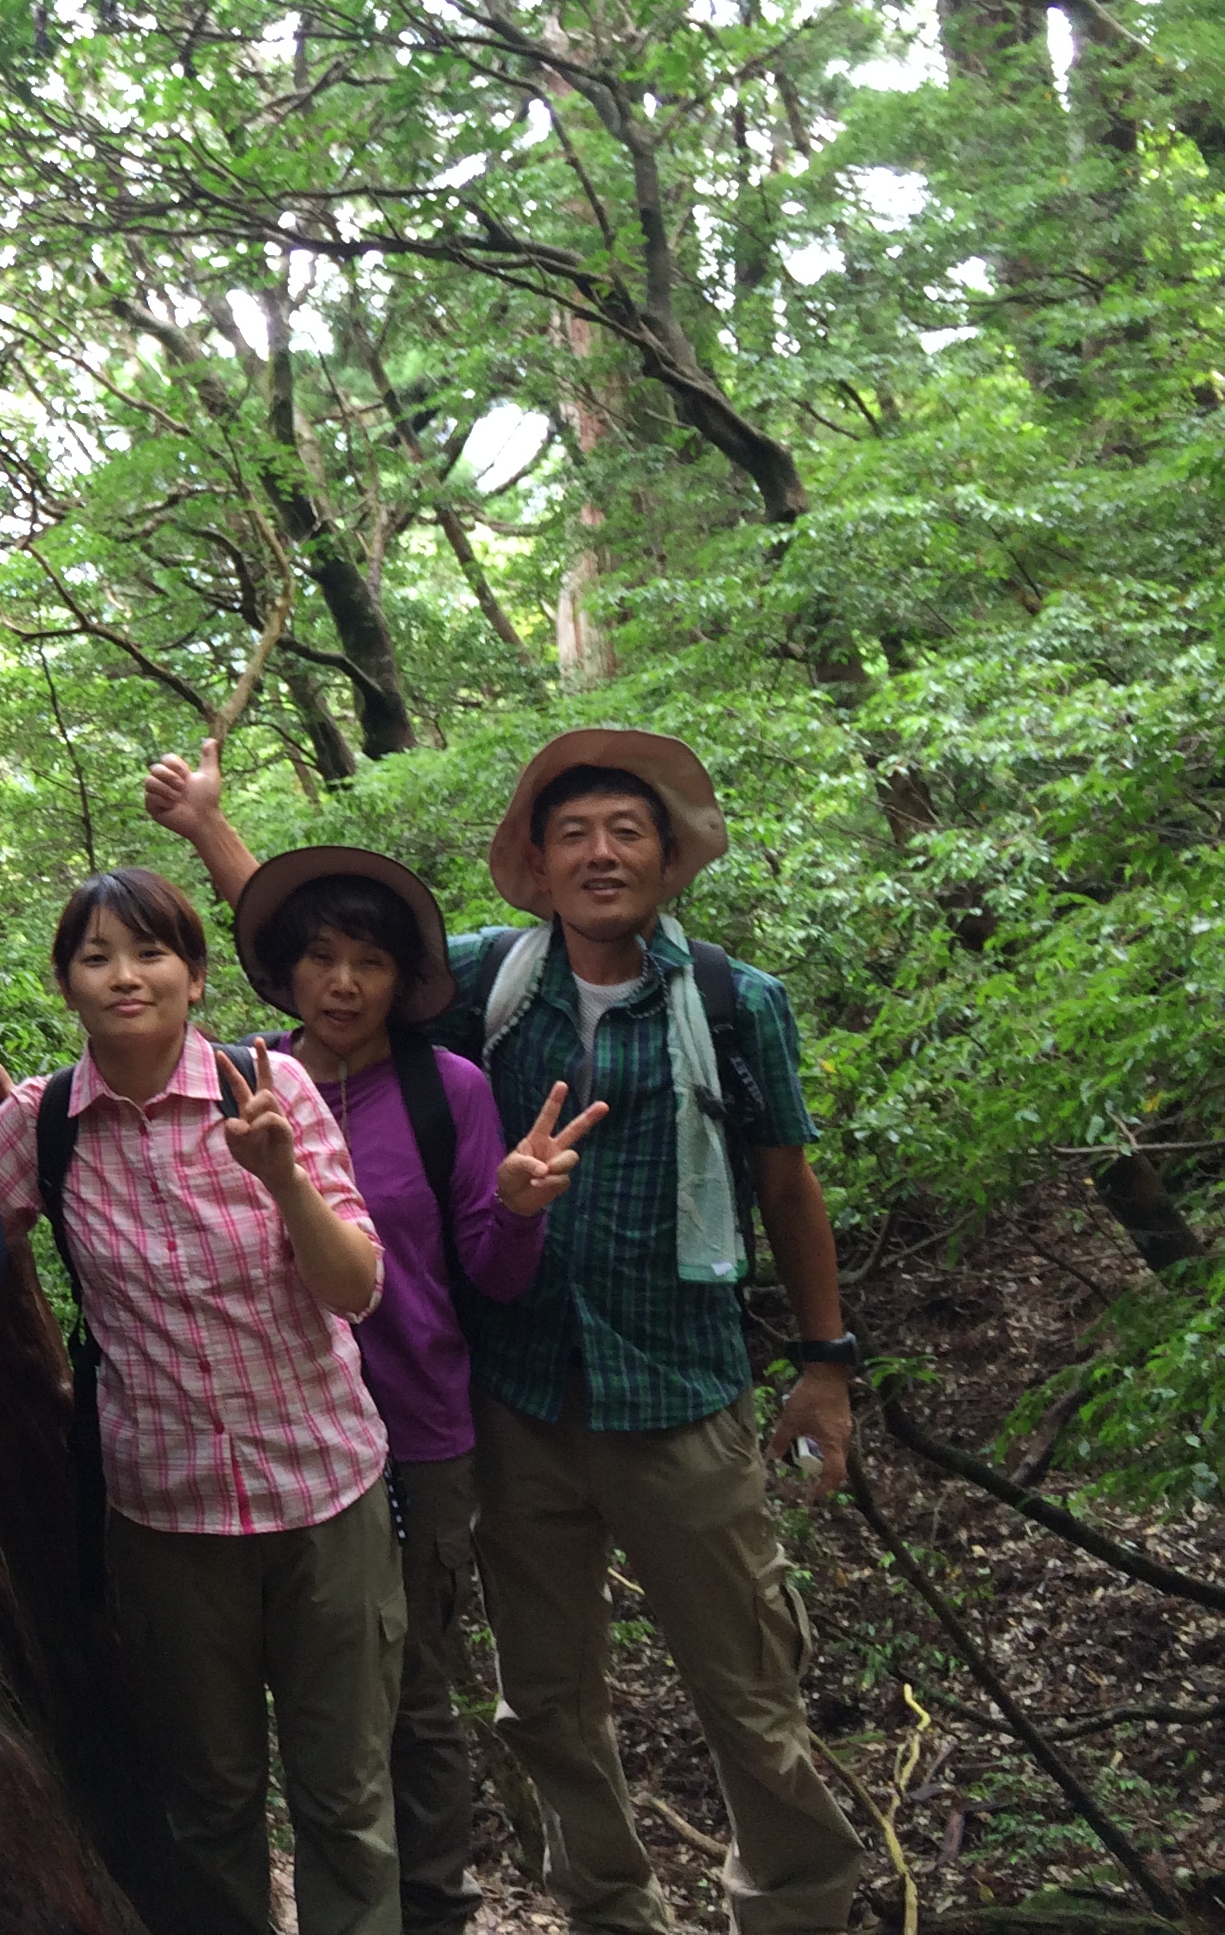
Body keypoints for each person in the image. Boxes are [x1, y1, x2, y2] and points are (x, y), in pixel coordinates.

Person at [151, 730, 868, 1935]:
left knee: (748, 1691)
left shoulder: (738, 1005)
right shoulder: (487, 986)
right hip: (520, 1402)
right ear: (537, 864)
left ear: (668, 859)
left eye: (626, 832)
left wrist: (825, 1367)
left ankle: (794, 1910)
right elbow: (328, 959)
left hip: (681, 1396)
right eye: (574, 834)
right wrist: (211, 831)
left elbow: (789, 1190)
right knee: (546, 1703)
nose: (601, 855)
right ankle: (609, 1911)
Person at [142, 788, 602, 1935]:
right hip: (271, 1444)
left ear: (406, 983)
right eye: (321, 959)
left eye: (369, 964)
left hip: (414, 1437)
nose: (342, 984)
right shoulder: (239, 1083)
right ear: (287, 973)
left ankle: (428, 1910)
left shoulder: (446, 1093)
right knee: (288, 1712)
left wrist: (515, 1206)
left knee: (413, 1703)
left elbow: (492, 1277)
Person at [0, 866, 399, 1935]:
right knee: (207, 1806)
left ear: (196, 979)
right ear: (65, 984)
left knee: (344, 1797)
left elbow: (356, 1288)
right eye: (96, 957)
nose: (125, 977)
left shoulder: (272, 1088)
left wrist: (282, 1178)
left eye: (151, 953)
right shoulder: (44, 1124)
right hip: (166, 1516)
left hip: (324, 1493)